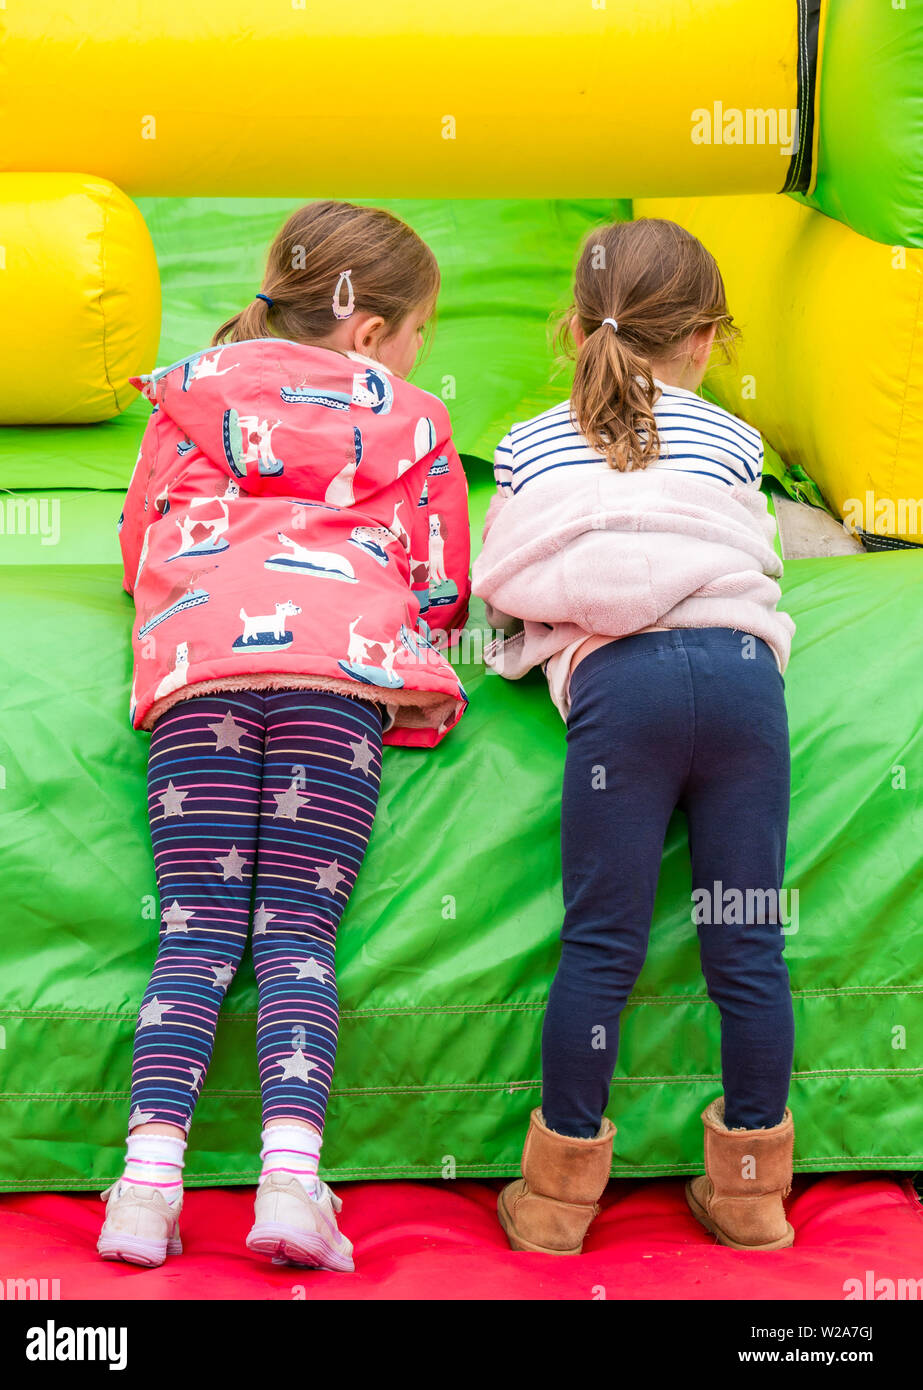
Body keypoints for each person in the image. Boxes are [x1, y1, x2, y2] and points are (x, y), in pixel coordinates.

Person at [99, 200, 470, 1272]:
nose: (413, 356)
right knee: (297, 939)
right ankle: (291, 1182)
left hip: (199, 665)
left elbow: (136, 552)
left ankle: (145, 1185)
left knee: (194, 933)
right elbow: (442, 590)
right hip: (334, 676)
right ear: (368, 334)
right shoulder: (409, 418)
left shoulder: (189, 397)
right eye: (413, 335)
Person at [473, 218, 796, 1255]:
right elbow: (755, 545)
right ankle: (749, 1195)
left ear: (574, 326)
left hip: (625, 691)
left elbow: (509, 581)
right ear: (705, 340)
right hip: (742, 680)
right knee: (745, 942)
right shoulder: (734, 439)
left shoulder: (526, 442)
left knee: (600, 944)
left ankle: (559, 1199)